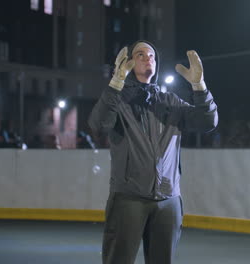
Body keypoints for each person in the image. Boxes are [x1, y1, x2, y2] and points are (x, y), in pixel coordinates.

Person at [88, 40, 218, 264]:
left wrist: (200, 87)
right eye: (140, 54)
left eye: (152, 56)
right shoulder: (118, 101)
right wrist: (115, 83)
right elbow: (98, 124)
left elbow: (208, 121)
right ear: (127, 64)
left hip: (168, 200)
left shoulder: (169, 102)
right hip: (128, 198)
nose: (148, 58)